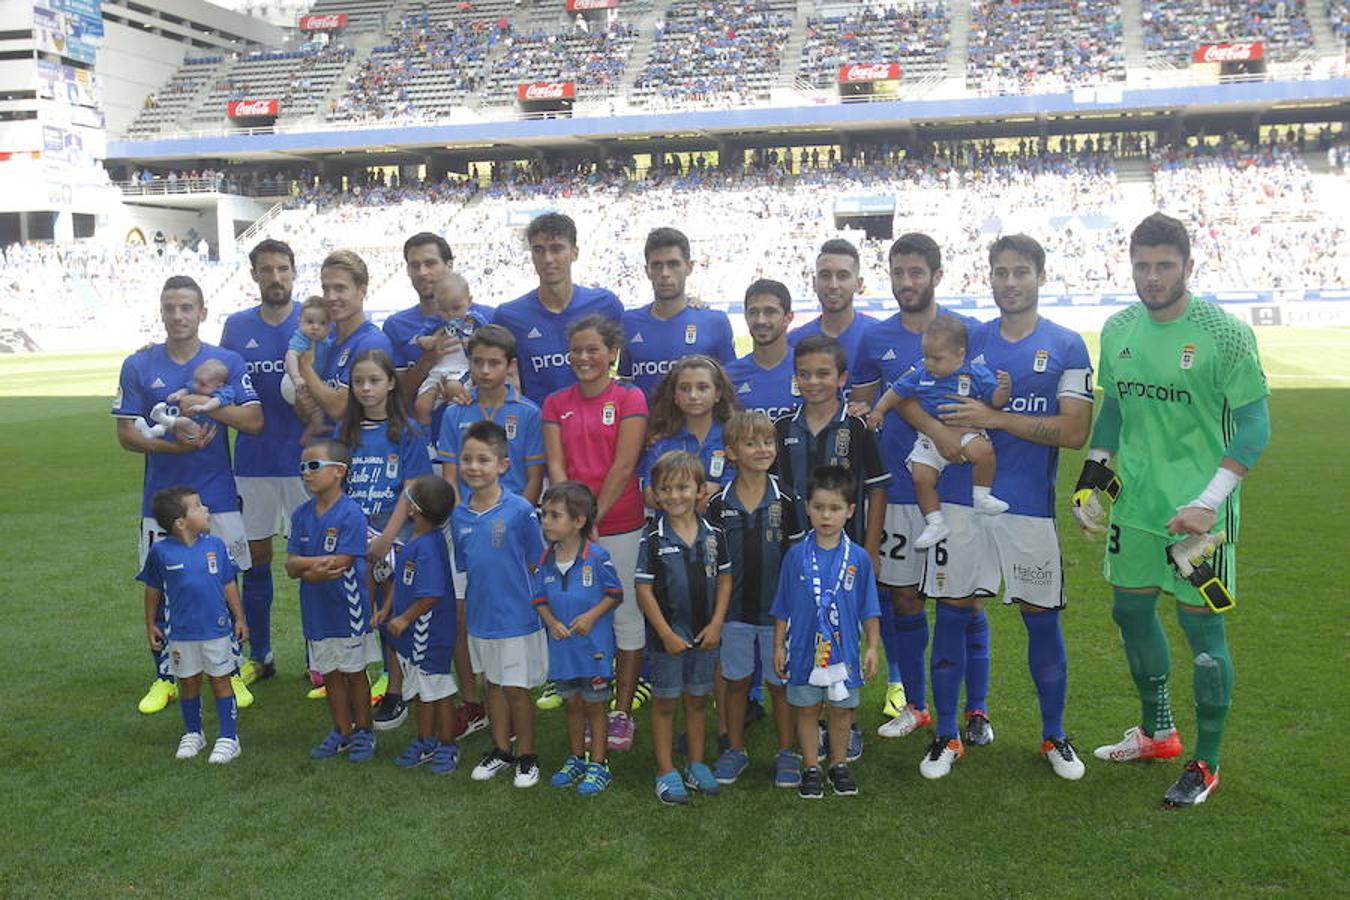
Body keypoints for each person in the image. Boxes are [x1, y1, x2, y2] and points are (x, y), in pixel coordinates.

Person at [1082, 213, 1269, 807]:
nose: (1152, 276)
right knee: (1129, 615)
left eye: (1164, 265)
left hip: (1201, 524)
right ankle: (1158, 732)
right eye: (1143, 265)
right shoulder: (1118, 329)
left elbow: (1255, 425)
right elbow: (1113, 409)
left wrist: (1208, 502)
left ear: (1188, 266)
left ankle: (1206, 762)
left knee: (1204, 634)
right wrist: (1093, 482)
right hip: (1136, 510)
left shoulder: (1225, 331)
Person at [937, 234, 1095, 780]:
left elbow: (1074, 432)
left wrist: (998, 417)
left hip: (1028, 508)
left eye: (1021, 272)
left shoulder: (1068, 345)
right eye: (1001, 272)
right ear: (990, 277)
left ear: (1040, 276)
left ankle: (1054, 736)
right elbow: (935, 403)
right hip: (963, 502)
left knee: (1040, 617)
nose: (1010, 282)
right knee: (953, 611)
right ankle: (946, 735)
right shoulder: (970, 341)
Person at [849, 233, 992, 753]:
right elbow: (864, 406)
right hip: (898, 492)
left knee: (966, 601)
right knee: (903, 598)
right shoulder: (874, 339)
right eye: (898, 272)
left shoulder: (964, 333)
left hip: (954, 491)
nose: (906, 282)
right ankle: (915, 704)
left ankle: (976, 709)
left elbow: (986, 398)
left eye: (916, 272)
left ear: (936, 274)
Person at [113, 275, 263, 715]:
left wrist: (209, 403)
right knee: (163, 584)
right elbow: (126, 435)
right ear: (161, 312)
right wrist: (172, 443)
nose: (178, 316)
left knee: (223, 582)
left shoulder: (227, 361)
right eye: (170, 308)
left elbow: (254, 421)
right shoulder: (138, 366)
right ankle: (166, 676)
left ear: (202, 313)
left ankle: (230, 670)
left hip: (215, 495)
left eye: (186, 308)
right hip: (160, 500)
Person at [773, 334, 888, 762]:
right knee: (804, 633)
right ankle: (814, 721)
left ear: (842, 378)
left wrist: (871, 548)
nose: (813, 381)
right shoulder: (784, 427)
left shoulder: (855, 425)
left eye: (823, 373)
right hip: (799, 559)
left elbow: (877, 490)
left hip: (845, 557)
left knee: (843, 633)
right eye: (804, 374)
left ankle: (846, 721)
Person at [542, 315, 649, 751]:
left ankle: (620, 712)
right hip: (571, 527)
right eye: (577, 350)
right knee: (577, 613)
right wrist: (571, 521)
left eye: (593, 350)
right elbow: (556, 466)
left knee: (623, 615)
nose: (584, 358)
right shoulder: (554, 403)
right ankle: (585, 704)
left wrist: (593, 520)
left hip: (618, 524)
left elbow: (624, 465)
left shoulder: (630, 396)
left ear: (612, 353)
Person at [438, 323, 542, 735]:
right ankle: (474, 701)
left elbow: (534, 475)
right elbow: (450, 474)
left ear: (510, 366)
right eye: (476, 361)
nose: (484, 370)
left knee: (512, 608)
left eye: (493, 363)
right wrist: (458, 517)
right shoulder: (456, 411)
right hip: (465, 525)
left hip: (511, 526)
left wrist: (519, 517)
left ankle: (516, 698)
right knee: (464, 615)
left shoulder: (527, 412)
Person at [220, 238, 307, 687]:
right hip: (252, 463)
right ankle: (262, 654)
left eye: (283, 269)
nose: (275, 277)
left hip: (305, 462)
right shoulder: (236, 328)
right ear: (254, 274)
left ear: (294, 272)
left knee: (313, 560)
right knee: (255, 562)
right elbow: (221, 383)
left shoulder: (311, 322)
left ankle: (320, 661)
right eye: (267, 269)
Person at [336, 349, 433, 730]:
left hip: (395, 532)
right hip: (353, 534)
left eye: (374, 380)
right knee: (361, 610)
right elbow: (335, 487)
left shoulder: (407, 431)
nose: (365, 388)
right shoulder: (345, 432)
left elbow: (412, 490)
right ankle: (355, 679)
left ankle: (396, 687)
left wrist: (388, 537)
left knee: (393, 613)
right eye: (358, 381)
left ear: (391, 382)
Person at [771, 465, 882, 799]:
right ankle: (811, 766)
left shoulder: (859, 559)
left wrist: (873, 648)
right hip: (804, 649)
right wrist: (778, 646)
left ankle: (838, 763)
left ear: (849, 511)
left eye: (834, 508)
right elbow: (782, 606)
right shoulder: (795, 556)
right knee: (805, 709)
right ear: (807, 508)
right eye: (819, 507)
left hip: (844, 651)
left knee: (841, 710)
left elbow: (870, 609)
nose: (826, 515)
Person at [707, 411, 804, 788]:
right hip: (733, 613)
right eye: (751, 443)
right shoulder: (718, 504)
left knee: (780, 682)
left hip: (778, 614)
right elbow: (713, 564)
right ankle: (735, 748)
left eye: (767, 442)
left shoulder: (789, 499)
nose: (762, 449)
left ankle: (786, 750)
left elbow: (797, 559)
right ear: (731, 452)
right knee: (735, 681)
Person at [452, 420, 548, 788]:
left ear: (502, 465)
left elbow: (535, 561)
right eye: (467, 459)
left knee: (516, 688)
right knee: (492, 684)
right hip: (482, 618)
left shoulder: (519, 510)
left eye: (483, 460)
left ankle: (527, 755)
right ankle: (501, 750)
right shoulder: (460, 516)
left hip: (516, 617)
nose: (474, 467)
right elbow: (466, 566)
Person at [635, 451, 732, 806]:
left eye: (683, 487)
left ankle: (696, 763)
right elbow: (643, 590)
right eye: (666, 489)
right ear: (656, 495)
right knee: (665, 703)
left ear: (700, 491)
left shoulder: (714, 535)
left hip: (705, 636)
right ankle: (665, 769)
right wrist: (664, 633)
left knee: (696, 700)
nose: (675, 495)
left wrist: (717, 623)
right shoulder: (653, 539)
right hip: (669, 639)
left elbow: (725, 579)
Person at [868, 316, 1012, 548]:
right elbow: (896, 392)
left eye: (937, 358)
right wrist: (879, 410)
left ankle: (982, 496)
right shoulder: (921, 373)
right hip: (928, 438)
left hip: (965, 431)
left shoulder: (976, 373)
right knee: (921, 477)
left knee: (984, 451)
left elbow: (995, 400)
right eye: (926, 356)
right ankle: (935, 522)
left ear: (959, 355)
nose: (929, 363)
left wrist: (1004, 390)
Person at [138, 486, 248, 764]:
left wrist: (240, 617)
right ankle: (193, 733)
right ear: (181, 522)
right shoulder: (160, 553)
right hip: (180, 634)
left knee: (221, 680)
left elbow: (228, 583)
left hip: (217, 630)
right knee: (188, 682)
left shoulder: (216, 546)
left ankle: (228, 738)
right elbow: (153, 590)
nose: (206, 509)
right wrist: (150, 624)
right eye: (198, 506)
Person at [286, 439, 380, 763]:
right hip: (316, 610)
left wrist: (306, 567)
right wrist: (311, 569)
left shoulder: (351, 512)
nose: (306, 473)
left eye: (314, 466)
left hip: (347, 608)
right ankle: (341, 730)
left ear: (339, 472)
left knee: (354, 672)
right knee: (330, 674)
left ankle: (363, 730)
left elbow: (343, 561)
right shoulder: (300, 514)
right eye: (302, 468)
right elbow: (290, 564)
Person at [533, 481, 624, 796]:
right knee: (572, 705)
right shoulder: (545, 559)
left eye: (554, 515)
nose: (545, 521)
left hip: (594, 650)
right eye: (544, 514)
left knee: (595, 707)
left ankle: (599, 763)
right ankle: (576, 758)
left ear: (579, 521)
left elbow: (615, 594)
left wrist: (591, 616)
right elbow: (539, 600)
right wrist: (552, 622)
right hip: (563, 651)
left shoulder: (597, 557)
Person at [376, 475, 461, 775]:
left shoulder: (428, 547)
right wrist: (387, 608)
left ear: (413, 510)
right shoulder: (416, 540)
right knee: (421, 690)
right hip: (414, 634)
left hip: (429, 634)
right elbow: (401, 581)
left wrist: (404, 618)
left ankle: (448, 745)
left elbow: (432, 594)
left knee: (437, 690)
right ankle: (425, 740)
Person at [492, 213, 624, 405]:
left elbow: (623, 367)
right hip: (538, 428)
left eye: (556, 249)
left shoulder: (606, 305)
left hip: (596, 428)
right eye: (539, 250)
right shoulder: (508, 317)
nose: (547, 259)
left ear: (574, 253)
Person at [618, 227, 735, 397]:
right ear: (647, 271)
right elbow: (626, 384)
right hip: (647, 424)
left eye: (673, 264)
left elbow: (730, 388)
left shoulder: (715, 322)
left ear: (689, 267)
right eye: (657, 265)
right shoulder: (629, 322)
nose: (665, 273)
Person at [382, 232, 495, 400]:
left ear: (449, 265)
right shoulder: (396, 325)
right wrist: (428, 359)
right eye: (414, 265)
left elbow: (506, 380)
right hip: (422, 424)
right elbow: (396, 396)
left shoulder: (489, 317)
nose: (422, 272)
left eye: (430, 263)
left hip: (474, 421)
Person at [297, 249, 394, 423]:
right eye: (326, 289)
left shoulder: (371, 341)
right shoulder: (324, 340)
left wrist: (304, 368)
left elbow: (339, 408)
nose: (331, 297)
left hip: (355, 448)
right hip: (321, 444)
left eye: (340, 288)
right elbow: (304, 412)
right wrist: (303, 402)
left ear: (362, 291)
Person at [640, 355, 739, 504]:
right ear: (674, 396)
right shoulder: (661, 441)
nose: (693, 396)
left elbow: (740, 490)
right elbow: (650, 495)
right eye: (684, 389)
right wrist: (696, 494)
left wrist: (718, 492)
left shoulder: (734, 436)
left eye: (702, 388)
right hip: (672, 526)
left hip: (725, 524)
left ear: (717, 394)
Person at [410, 272, 490, 428]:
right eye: (444, 309)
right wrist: (426, 341)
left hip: (461, 369)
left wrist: (475, 344)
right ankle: (427, 446)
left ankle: (460, 434)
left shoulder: (474, 321)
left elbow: (490, 339)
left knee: (455, 392)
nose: (451, 314)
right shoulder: (435, 321)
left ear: (469, 301)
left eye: (456, 308)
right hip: (437, 370)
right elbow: (419, 337)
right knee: (421, 406)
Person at [787, 238, 876, 375]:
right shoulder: (793, 342)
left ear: (859, 284)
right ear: (814, 283)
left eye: (842, 276)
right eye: (825, 275)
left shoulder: (878, 336)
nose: (833, 285)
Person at [724, 279, 799, 420]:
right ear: (745, 317)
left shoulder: (807, 370)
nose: (760, 320)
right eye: (753, 312)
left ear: (788, 318)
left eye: (770, 312)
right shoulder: (729, 376)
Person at [282, 296, 333, 446]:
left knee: (318, 406)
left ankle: (312, 430)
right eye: (310, 322)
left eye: (322, 323)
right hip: (292, 382)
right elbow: (291, 355)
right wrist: (296, 377)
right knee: (315, 404)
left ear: (330, 327)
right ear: (300, 323)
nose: (315, 327)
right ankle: (314, 428)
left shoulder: (325, 342)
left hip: (308, 380)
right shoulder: (302, 338)